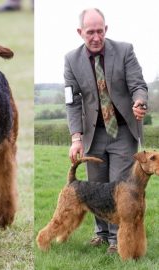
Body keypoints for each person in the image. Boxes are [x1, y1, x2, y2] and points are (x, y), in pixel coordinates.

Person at [64, 8, 148, 254]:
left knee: (119, 186)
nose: (96, 37)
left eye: (100, 31)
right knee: (96, 186)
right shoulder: (71, 60)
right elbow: (72, 101)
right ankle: (100, 234)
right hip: (93, 133)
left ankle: (116, 239)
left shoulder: (124, 50)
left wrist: (140, 102)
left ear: (106, 30)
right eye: (90, 32)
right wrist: (76, 138)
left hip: (122, 130)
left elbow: (138, 85)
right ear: (80, 32)